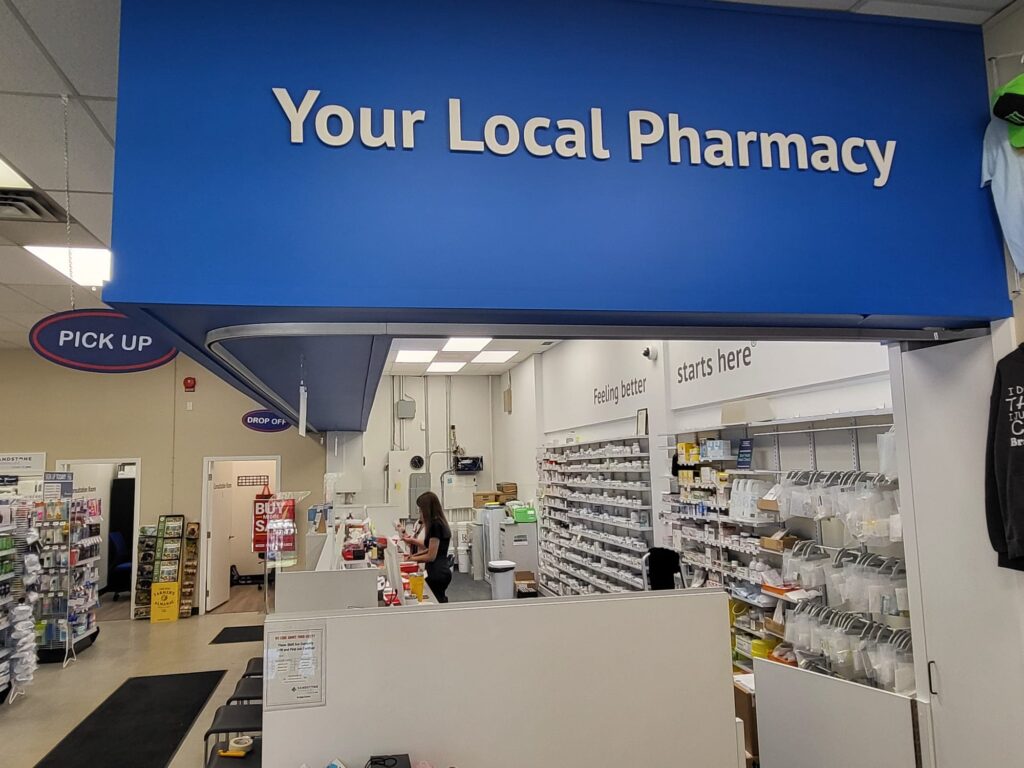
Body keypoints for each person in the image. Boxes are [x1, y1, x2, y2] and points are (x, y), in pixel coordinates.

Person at [403, 491, 452, 602]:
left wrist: (412, 559)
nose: (420, 513)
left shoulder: (436, 525)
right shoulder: (436, 523)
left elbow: (431, 555)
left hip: (437, 572)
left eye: (421, 510)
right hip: (436, 569)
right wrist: (412, 558)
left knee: (435, 601)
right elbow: (429, 548)